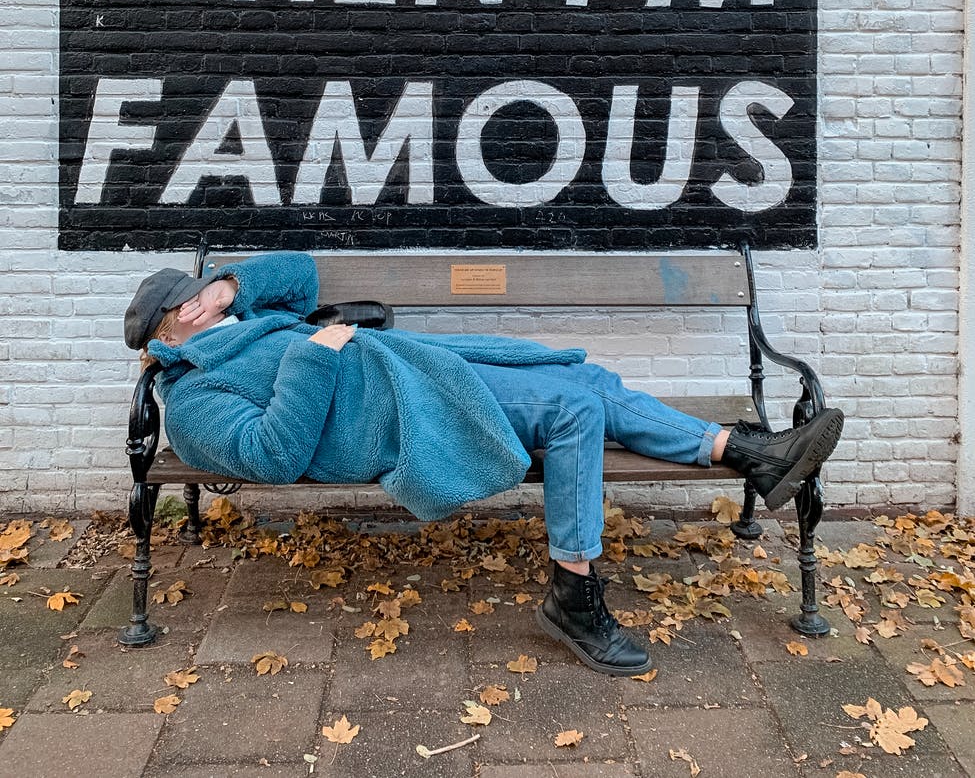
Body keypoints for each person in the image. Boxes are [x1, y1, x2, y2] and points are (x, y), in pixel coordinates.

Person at [124, 252, 843, 676]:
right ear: (175, 323)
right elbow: (270, 457)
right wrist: (316, 354)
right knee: (574, 409)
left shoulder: (239, 319)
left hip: (418, 373)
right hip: (399, 414)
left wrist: (229, 283)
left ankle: (747, 453)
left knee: (585, 384)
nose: (203, 301)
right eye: (192, 299)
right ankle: (574, 595)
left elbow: (299, 276)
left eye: (202, 294)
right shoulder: (193, 395)